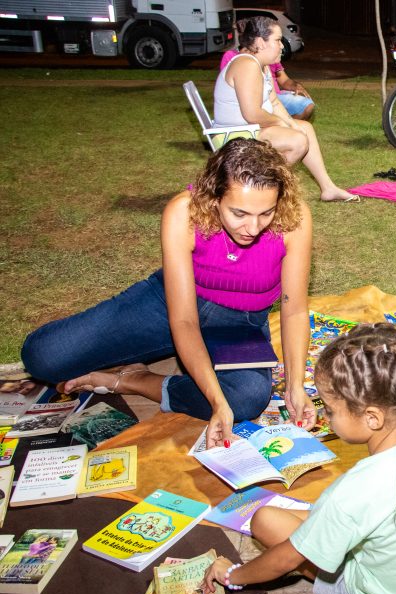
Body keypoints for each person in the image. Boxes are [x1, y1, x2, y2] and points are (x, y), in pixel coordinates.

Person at [21, 140, 314, 449]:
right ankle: (141, 357)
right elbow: (185, 321)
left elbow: (293, 310)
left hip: (240, 325)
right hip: (168, 304)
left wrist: (295, 387)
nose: (253, 228)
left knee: (245, 400)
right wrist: (214, 400)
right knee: (42, 357)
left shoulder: (295, 219)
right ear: (213, 195)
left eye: (265, 213)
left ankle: (138, 380)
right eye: (239, 213)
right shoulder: (183, 213)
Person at [201, 323, 396, 594]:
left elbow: (285, 560)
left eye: (331, 410)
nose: (325, 415)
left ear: (372, 418)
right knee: (298, 517)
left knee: (265, 521)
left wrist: (232, 574)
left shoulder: (354, 490)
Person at [213, 16, 354, 202]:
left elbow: (275, 102)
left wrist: (290, 123)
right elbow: (252, 113)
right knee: (298, 141)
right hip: (234, 136)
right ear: (260, 42)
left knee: (305, 128)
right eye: (277, 40)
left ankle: (328, 188)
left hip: (248, 129)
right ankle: (260, 189)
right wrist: (282, 124)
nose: (281, 45)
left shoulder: (261, 66)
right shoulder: (246, 65)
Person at [220, 42, 315, 120]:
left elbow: (284, 80)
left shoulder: (270, 57)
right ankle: (284, 129)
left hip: (275, 96)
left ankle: (286, 129)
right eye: (277, 40)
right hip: (251, 100)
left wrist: (296, 86)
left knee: (307, 105)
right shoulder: (234, 57)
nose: (281, 45)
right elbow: (229, 88)